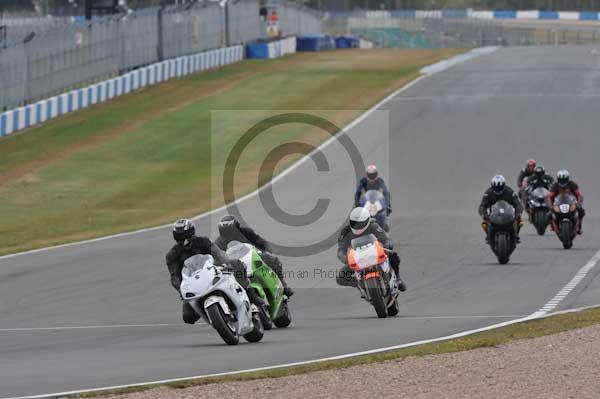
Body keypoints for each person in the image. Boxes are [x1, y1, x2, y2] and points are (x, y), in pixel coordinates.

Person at [165, 219, 262, 325]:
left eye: (185, 235)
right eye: (180, 236)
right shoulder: (172, 255)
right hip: (193, 283)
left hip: (212, 271)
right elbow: (174, 275)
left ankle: (252, 296)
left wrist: (227, 263)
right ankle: (212, 315)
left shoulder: (203, 241)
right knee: (188, 317)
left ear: (191, 233)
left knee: (236, 264)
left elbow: (218, 253)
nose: (183, 239)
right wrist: (181, 290)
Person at [214, 215, 294, 297]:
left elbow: (262, 243)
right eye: (225, 231)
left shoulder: (247, 232)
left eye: (230, 230)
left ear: (237, 227)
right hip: (236, 265)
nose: (228, 233)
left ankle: (283, 286)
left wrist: (266, 252)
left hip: (252, 256)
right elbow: (216, 258)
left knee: (274, 260)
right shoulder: (219, 243)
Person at [336, 207, 406, 291]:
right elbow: (341, 249)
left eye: (360, 223)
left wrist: (387, 246)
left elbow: (385, 239)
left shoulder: (373, 226)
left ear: (367, 220)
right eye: (354, 223)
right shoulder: (345, 232)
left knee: (393, 256)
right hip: (358, 259)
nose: (357, 226)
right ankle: (360, 284)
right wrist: (345, 258)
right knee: (340, 278)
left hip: (375, 253)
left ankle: (398, 278)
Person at [478, 175, 523, 243]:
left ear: (504, 186)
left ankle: (516, 235)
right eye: (496, 188)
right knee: (484, 223)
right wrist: (484, 214)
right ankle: (488, 235)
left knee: (519, 221)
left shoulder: (510, 192)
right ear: (492, 186)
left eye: (500, 188)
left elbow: (518, 204)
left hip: (508, 214)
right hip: (493, 215)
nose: (498, 190)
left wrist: (518, 213)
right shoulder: (488, 193)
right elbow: (482, 205)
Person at [548, 170, 585, 234]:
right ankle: (553, 226)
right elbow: (549, 197)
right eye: (561, 180)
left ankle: (579, 227)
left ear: (567, 179)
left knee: (581, 211)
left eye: (564, 180)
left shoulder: (572, 184)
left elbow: (579, 195)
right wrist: (550, 207)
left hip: (571, 203)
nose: (562, 181)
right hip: (558, 204)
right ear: (558, 179)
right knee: (549, 214)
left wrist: (579, 204)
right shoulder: (555, 186)